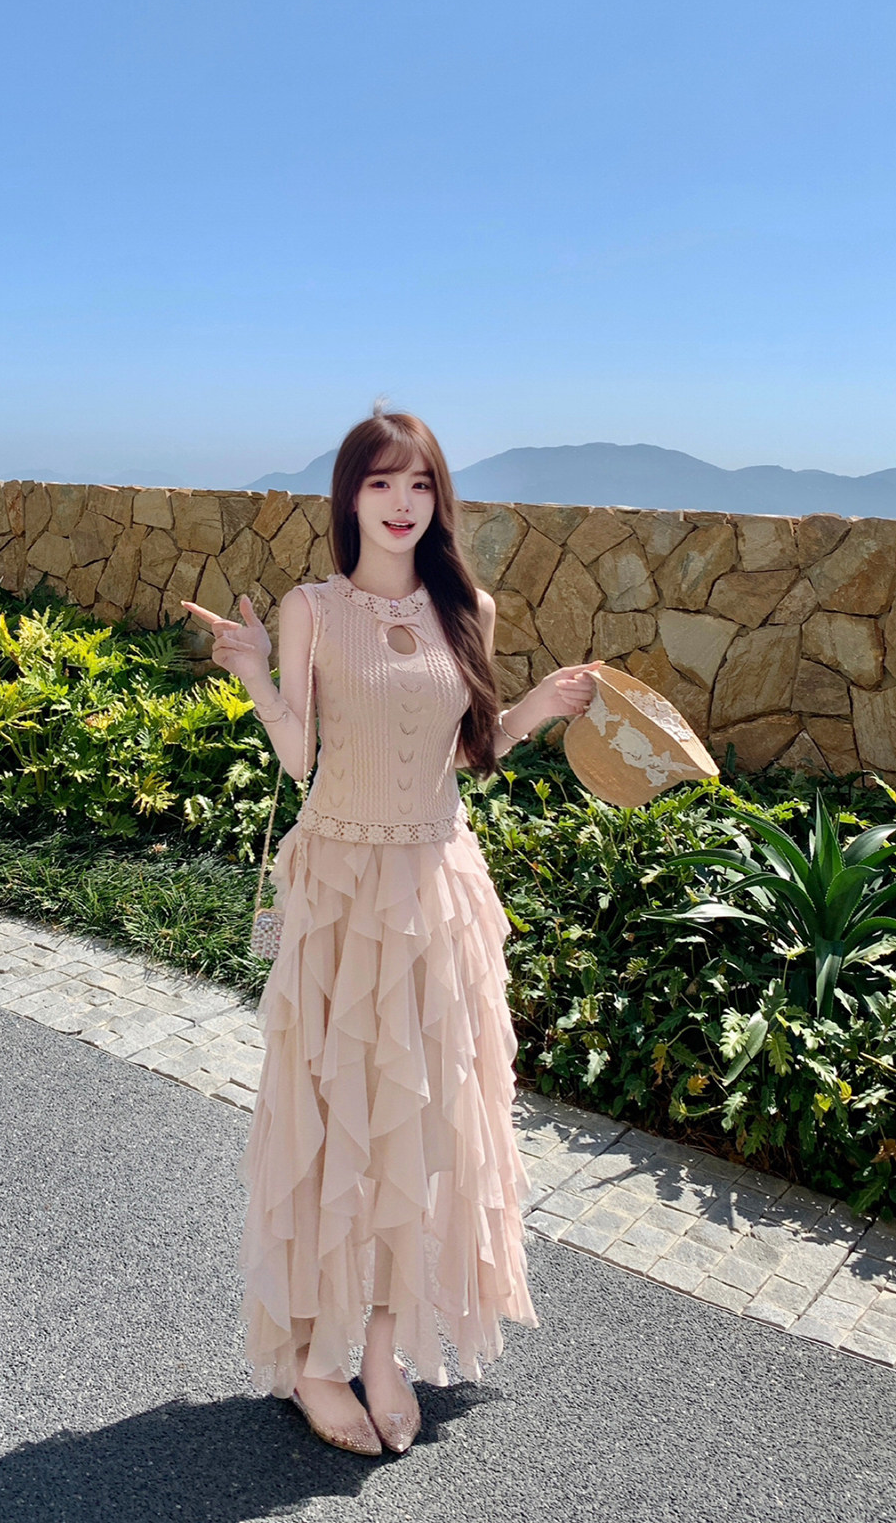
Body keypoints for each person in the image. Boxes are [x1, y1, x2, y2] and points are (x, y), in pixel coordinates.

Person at [183, 407, 598, 1456]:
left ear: (438, 498)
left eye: (419, 484)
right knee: (333, 1123)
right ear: (351, 497)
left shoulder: (470, 608)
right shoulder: (313, 607)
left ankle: (381, 1347)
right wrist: (253, 670)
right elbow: (299, 754)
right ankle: (315, 1360)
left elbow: (467, 752)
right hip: (340, 886)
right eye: (380, 483)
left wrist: (539, 707)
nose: (401, 502)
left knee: (418, 1125)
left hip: (437, 884)